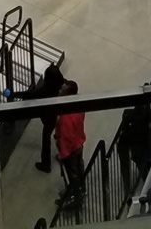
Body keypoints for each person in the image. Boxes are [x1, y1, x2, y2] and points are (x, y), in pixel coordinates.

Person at [18, 60, 66, 172]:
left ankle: (46, 164)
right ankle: (63, 154)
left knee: (46, 139)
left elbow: (29, 95)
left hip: (48, 116)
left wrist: (13, 94)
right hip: (55, 114)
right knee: (58, 135)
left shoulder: (45, 90)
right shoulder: (59, 83)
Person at [55, 81, 87, 209]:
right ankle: (80, 190)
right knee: (79, 168)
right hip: (78, 144)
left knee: (72, 174)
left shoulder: (66, 117)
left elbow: (66, 137)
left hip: (70, 150)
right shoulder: (78, 106)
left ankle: (76, 198)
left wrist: (63, 154)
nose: (59, 91)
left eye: (62, 91)